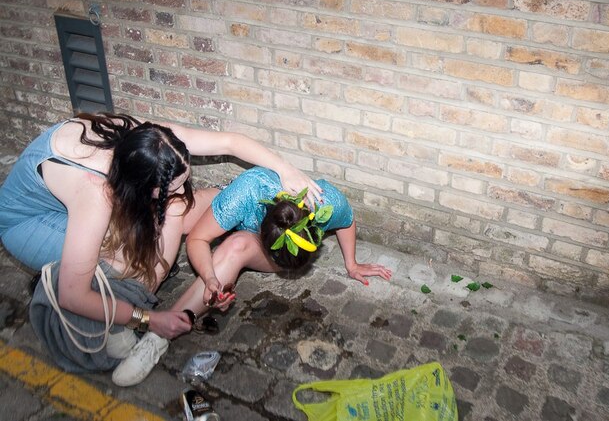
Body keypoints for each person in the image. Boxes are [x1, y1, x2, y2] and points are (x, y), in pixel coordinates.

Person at [0, 112, 321, 386]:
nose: (182, 191)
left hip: (73, 202)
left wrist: (286, 170)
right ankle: (113, 302)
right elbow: (72, 295)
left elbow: (229, 142)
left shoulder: (150, 139)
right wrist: (149, 319)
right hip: (27, 223)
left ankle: (123, 284)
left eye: (184, 179)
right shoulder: (95, 194)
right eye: (171, 187)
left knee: (171, 218)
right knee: (131, 259)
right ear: (142, 188)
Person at [172, 166, 393, 322]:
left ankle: (170, 326)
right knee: (175, 213)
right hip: (236, 196)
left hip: (243, 226)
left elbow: (347, 221)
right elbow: (197, 239)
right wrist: (209, 276)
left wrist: (352, 264)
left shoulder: (328, 203)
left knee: (236, 245)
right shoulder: (246, 192)